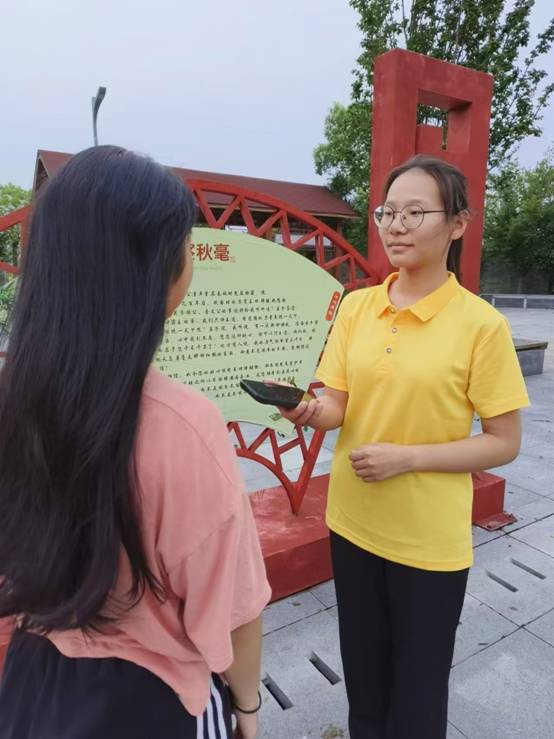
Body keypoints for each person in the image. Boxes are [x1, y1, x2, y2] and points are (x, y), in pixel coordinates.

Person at [0, 146, 271, 739]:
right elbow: (234, 609)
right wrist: (248, 709)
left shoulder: (12, 399)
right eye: (186, 244)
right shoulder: (185, 424)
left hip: (30, 681)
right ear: (154, 273)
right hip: (152, 701)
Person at [276, 155, 529, 739]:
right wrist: (307, 411)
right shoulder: (358, 306)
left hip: (428, 541)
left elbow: (504, 442)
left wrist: (409, 458)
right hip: (353, 523)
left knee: (417, 695)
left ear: (457, 224)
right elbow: (337, 407)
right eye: (389, 212)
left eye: (416, 213)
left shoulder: (481, 325)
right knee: (364, 685)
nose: (396, 226)